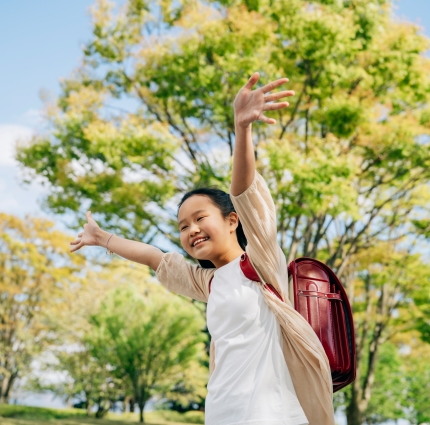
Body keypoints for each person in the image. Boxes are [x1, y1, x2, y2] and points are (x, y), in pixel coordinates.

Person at [70, 72, 335, 425]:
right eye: (182, 226)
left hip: (273, 414)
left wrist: (243, 129)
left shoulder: (260, 261)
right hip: (223, 412)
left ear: (232, 221)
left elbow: (243, 192)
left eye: (199, 218)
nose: (191, 230)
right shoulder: (205, 283)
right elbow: (154, 258)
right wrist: (103, 238)